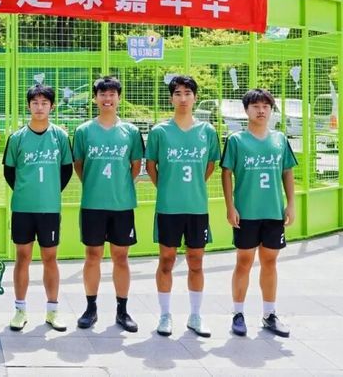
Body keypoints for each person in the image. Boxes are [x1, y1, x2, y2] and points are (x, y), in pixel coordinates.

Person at [145, 75, 220, 338]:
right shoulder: (160, 132)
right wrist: (167, 187)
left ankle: (195, 315)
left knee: (196, 261)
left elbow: (210, 165)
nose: (183, 98)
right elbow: (151, 166)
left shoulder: (207, 131)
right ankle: (165, 315)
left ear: (195, 97)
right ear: (171, 99)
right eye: (178, 93)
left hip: (197, 208)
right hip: (168, 208)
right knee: (166, 260)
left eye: (188, 93)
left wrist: (193, 187)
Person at [221, 88, 296, 337]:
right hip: (247, 213)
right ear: (246, 110)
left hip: (273, 212)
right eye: (255, 106)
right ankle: (238, 314)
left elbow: (287, 171)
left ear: (271, 110)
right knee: (244, 262)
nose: (261, 110)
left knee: (270, 262)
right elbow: (226, 173)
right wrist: (230, 206)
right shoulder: (236, 140)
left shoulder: (280, 139)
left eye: (266, 106)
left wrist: (291, 204)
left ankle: (269, 314)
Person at [72, 76, 144, 332]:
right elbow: (79, 165)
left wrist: (119, 186)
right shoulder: (83, 131)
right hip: (93, 204)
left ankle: (122, 311)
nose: (107, 99)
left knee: (121, 257)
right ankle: (90, 308)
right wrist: (95, 184)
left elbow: (135, 166)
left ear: (119, 98)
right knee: (93, 255)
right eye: (102, 94)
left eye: (112, 94)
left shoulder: (130, 132)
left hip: (122, 204)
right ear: (95, 98)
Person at [3, 84, 73, 332]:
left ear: (51, 106)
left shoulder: (60, 136)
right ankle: (20, 310)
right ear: (29, 106)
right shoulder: (17, 137)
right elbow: (9, 172)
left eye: (44, 103)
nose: (40, 107)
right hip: (23, 208)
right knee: (22, 257)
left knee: (50, 258)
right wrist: (27, 191)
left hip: (49, 209)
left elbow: (66, 170)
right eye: (35, 103)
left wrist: (49, 191)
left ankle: (52, 311)